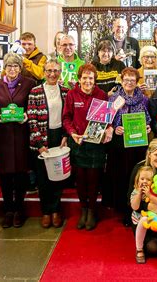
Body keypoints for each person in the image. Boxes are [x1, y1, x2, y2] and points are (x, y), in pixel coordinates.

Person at [62, 63, 114, 231]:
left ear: (95, 79)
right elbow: (66, 118)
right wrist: (71, 133)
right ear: (79, 79)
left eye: (91, 78)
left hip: (96, 145)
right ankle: (83, 210)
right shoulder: (71, 94)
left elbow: (107, 118)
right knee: (80, 179)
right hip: (77, 142)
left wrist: (109, 129)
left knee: (93, 180)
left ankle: (92, 211)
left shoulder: (101, 95)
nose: (87, 81)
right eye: (84, 77)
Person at [0, 53, 36, 228]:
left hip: (22, 133)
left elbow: (34, 105)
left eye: (16, 66)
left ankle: (19, 210)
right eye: (9, 66)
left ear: (20, 68)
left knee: (21, 174)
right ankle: (8, 210)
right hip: (3, 136)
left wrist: (27, 115)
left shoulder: (29, 83)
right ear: (4, 68)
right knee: (5, 175)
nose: (12, 69)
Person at [104, 67, 151, 224]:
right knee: (122, 176)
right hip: (120, 144)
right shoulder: (114, 99)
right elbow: (107, 122)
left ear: (137, 82)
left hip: (138, 144)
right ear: (121, 81)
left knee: (138, 177)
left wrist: (148, 127)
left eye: (132, 80)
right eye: (126, 80)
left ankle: (138, 209)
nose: (129, 83)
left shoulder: (144, 99)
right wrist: (115, 127)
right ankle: (125, 210)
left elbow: (149, 119)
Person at [28, 59, 70, 228]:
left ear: (60, 72)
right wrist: (39, 143)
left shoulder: (66, 92)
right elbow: (31, 119)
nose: (52, 74)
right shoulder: (35, 91)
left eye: (56, 70)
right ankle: (46, 211)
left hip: (58, 137)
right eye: (49, 71)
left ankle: (56, 210)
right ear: (44, 72)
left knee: (58, 176)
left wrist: (66, 135)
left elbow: (69, 116)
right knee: (43, 177)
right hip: (41, 138)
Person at [130, 165, 157, 268]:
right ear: (138, 180)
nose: (144, 181)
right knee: (143, 221)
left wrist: (150, 195)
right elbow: (134, 207)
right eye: (142, 179)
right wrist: (139, 194)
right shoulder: (136, 191)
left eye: (148, 179)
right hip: (143, 216)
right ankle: (139, 249)